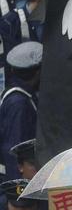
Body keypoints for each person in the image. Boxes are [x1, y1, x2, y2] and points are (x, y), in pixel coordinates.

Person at [0, 41, 41, 183]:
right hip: (16, 184)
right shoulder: (19, 103)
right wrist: (19, 194)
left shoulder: (21, 94)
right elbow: (13, 149)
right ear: (37, 72)